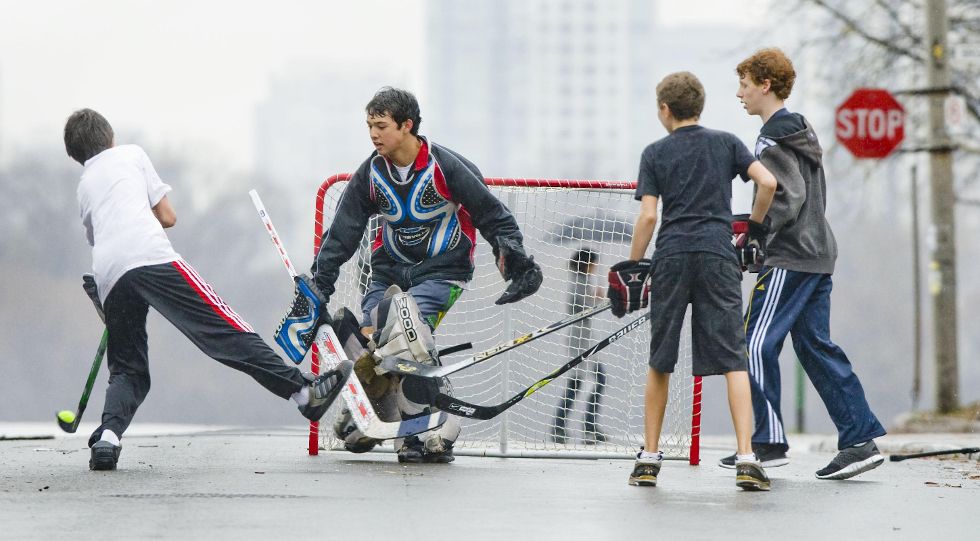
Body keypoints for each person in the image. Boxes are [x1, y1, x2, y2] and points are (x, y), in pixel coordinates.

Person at [64, 109, 350, 471]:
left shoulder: (84, 184)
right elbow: (168, 217)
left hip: (107, 273)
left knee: (128, 368)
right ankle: (303, 392)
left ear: (77, 155)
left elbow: (101, 235)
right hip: (150, 256)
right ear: (110, 137)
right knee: (224, 329)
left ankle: (108, 438)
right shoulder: (131, 154)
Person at [277, 87, 543, 463]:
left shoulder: (447, 167)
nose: (373, 134)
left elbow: (492, 215)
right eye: (369, 125)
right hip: (385, 274)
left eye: (381, 126)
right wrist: (320, 285)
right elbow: (342, 234)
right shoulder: (370, 173)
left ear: (407, 126)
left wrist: (518, 263)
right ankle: (384, 414)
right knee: (364, 340)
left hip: (444, 273)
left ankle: (438, 426)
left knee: (401, 330)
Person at [727, 48, 886, 479]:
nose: (738, 93)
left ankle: (765, 441)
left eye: (744, 84)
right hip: (818, 253)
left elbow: (785, 193)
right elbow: (802, 194)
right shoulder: (801, 130)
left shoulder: (771, 136)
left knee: (755, 343)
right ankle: (858, 441)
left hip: (790, 255)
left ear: (765, 85)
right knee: (815, 346)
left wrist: (756, 230)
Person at [615, 72, 777, 490]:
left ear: (664, 109)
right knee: (732, 359)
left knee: (660, 359)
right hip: (718, 256)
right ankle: (746, 458)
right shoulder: (725, 143)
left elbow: (649, 216)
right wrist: (753, 229)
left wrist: (633, 266)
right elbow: (768, 182)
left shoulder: (654, 153)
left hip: (670, 258)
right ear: (700, 107)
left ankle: (649, 459)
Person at [551, 248, 607, 444]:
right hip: (579, 340)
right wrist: (597, 299)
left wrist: (595, 297)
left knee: (593, 380)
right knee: (581, 382)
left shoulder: (583, 280)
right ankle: (566, 426)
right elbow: (579, 306)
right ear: (587, 263)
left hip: (586, 338)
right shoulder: (577, 280)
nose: (595, 267)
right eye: (594, 263)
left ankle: (585, 425)